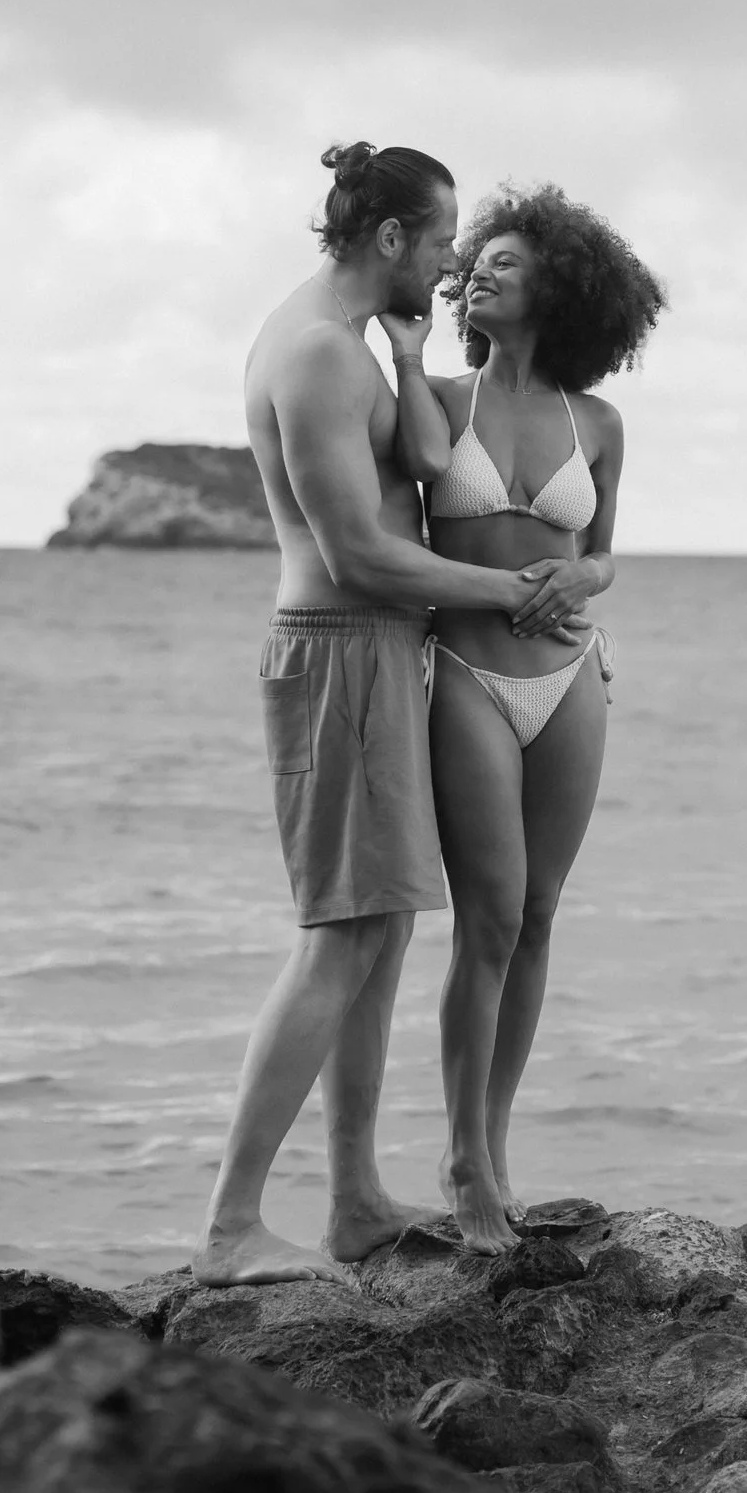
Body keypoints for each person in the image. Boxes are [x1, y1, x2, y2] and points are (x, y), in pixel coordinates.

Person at [195, 142, 579, 1282]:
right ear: (392, 237)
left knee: (385, 928)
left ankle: (355, 1202)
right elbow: (358, 553)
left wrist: (412, 362)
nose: (454, 262)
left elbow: (415, 465)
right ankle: (229, 1227)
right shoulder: (319, 352)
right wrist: (505, 591)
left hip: (377, 655)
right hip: (340, 652)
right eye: (444, 237)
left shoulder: (355, 345)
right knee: (342, 937)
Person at [384, 183, 664, 1249]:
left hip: (572, 678)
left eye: (506, 261)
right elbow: (418, 473)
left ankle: (496, 1152)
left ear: (561, 286)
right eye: (476, 263)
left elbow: (604, 555)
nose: (479, 274)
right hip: (467, 674)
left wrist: (584, 577)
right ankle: (461, 1161)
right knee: (489, 917)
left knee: (539, 916)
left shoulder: (599, 423)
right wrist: (407, 353)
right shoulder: (440, 400)